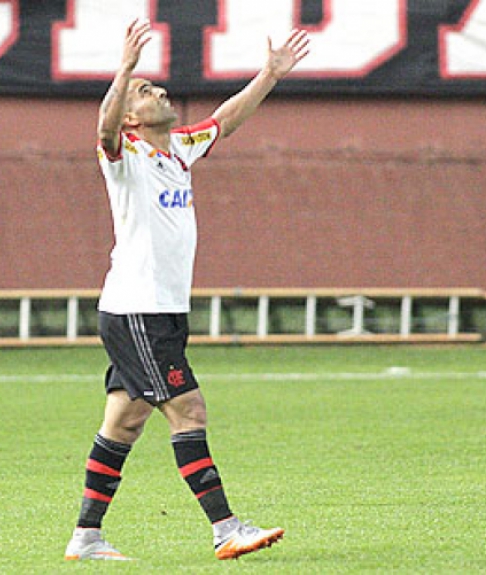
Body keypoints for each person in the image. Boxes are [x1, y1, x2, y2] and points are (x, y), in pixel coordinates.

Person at [63, 19, 310, 561]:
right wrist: (123, 70)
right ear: (131, 115)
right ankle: (226, 528)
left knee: (124, 423)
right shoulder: (124, 156)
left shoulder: (178, 147)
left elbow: (225, 120)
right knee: (189, 412)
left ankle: (85, 537)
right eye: (147, 92)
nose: (161, 93)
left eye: (157, 87)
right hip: (138, 310)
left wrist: (269, 75)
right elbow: (103, 130)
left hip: (160, 311)